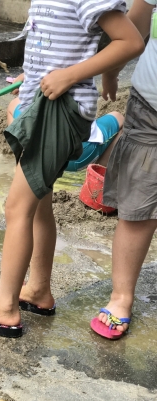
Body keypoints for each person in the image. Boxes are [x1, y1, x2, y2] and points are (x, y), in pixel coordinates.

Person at [0, 0, 144, 338]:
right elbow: (60, 42)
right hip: (41, 104)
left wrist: (73, 75)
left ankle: (6, 307)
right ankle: (38, 289)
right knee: (37, 202)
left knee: (17, 207)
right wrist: (37, 72)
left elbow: (130, 41)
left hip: (59, 110)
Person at [91, 0, 157, 339]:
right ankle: (121, 297)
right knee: (137, 205)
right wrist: (111, 69)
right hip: (150, 107)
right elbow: (139, 21)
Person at [6, 79, 124, 171]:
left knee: (14, 105)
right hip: (79, 154)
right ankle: (98, 174)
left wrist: (26, 82)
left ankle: (21, 163)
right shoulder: (77, 64)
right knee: (119, 118)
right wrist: (110, 76)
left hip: (36, 153)